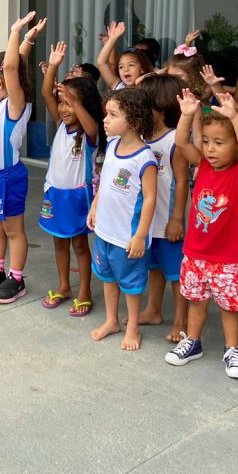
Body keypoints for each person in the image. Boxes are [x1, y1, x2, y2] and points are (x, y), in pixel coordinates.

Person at [166, 90, 238, 379]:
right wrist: (186, 114)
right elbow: (181, 142)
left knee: (229, 307)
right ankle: (192, 342)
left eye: (219, 143)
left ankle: (233, 349)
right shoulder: (203, 165)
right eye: (206, 142)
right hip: (196, 253)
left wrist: (233, 116)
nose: (210, 150)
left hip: (229, 257)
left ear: (236, 146)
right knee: (196, 301)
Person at [0, 12, 42, 304]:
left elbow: (13, 66)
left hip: (8, 177)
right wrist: (27, 39)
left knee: (13, 230)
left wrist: (15, 31)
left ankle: (16, 279)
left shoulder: (16, 105)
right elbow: (16, 63)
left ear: (2, 80)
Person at [87, 87, 158, 351]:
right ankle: (111, 321)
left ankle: (133, 327)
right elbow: (104, 182)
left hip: (127, 239)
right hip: (104, 232)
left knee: (131, 284)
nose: (105, 120)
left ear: (134, 121)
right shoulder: (114, 145)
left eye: (113, 115)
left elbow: (150, 199)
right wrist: (94, 206)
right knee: (107, 277)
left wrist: (140, 235)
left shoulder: (145, 158)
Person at [40, 41, 103, 318]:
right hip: (55, 193)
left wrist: (76, 101)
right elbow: (45, 93)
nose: (64, 109)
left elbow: (90, 126)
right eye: (62, 103)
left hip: (77, 196)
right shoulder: (60, 125)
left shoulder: (89, 133)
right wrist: (53, 67)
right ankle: (64, 286)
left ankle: (85, 291)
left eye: (70, 104)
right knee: (58, 241)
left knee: (79, 244)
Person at [134, 74, 190, 343]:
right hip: (149, 221)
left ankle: (181, 320)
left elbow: (181, 182)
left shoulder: (173, 141)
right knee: (154, 267)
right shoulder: (141, 138)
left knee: (176, 273)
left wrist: (177, 219)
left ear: (160, 105)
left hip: (168, 219)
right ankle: (153, 310)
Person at [97, 21, 153, 90]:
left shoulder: (149, 88)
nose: (125, 70)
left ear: (142, 69)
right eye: (121, 67)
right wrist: (112, 39)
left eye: (131, 65)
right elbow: (101, 63)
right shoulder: (119, 86)